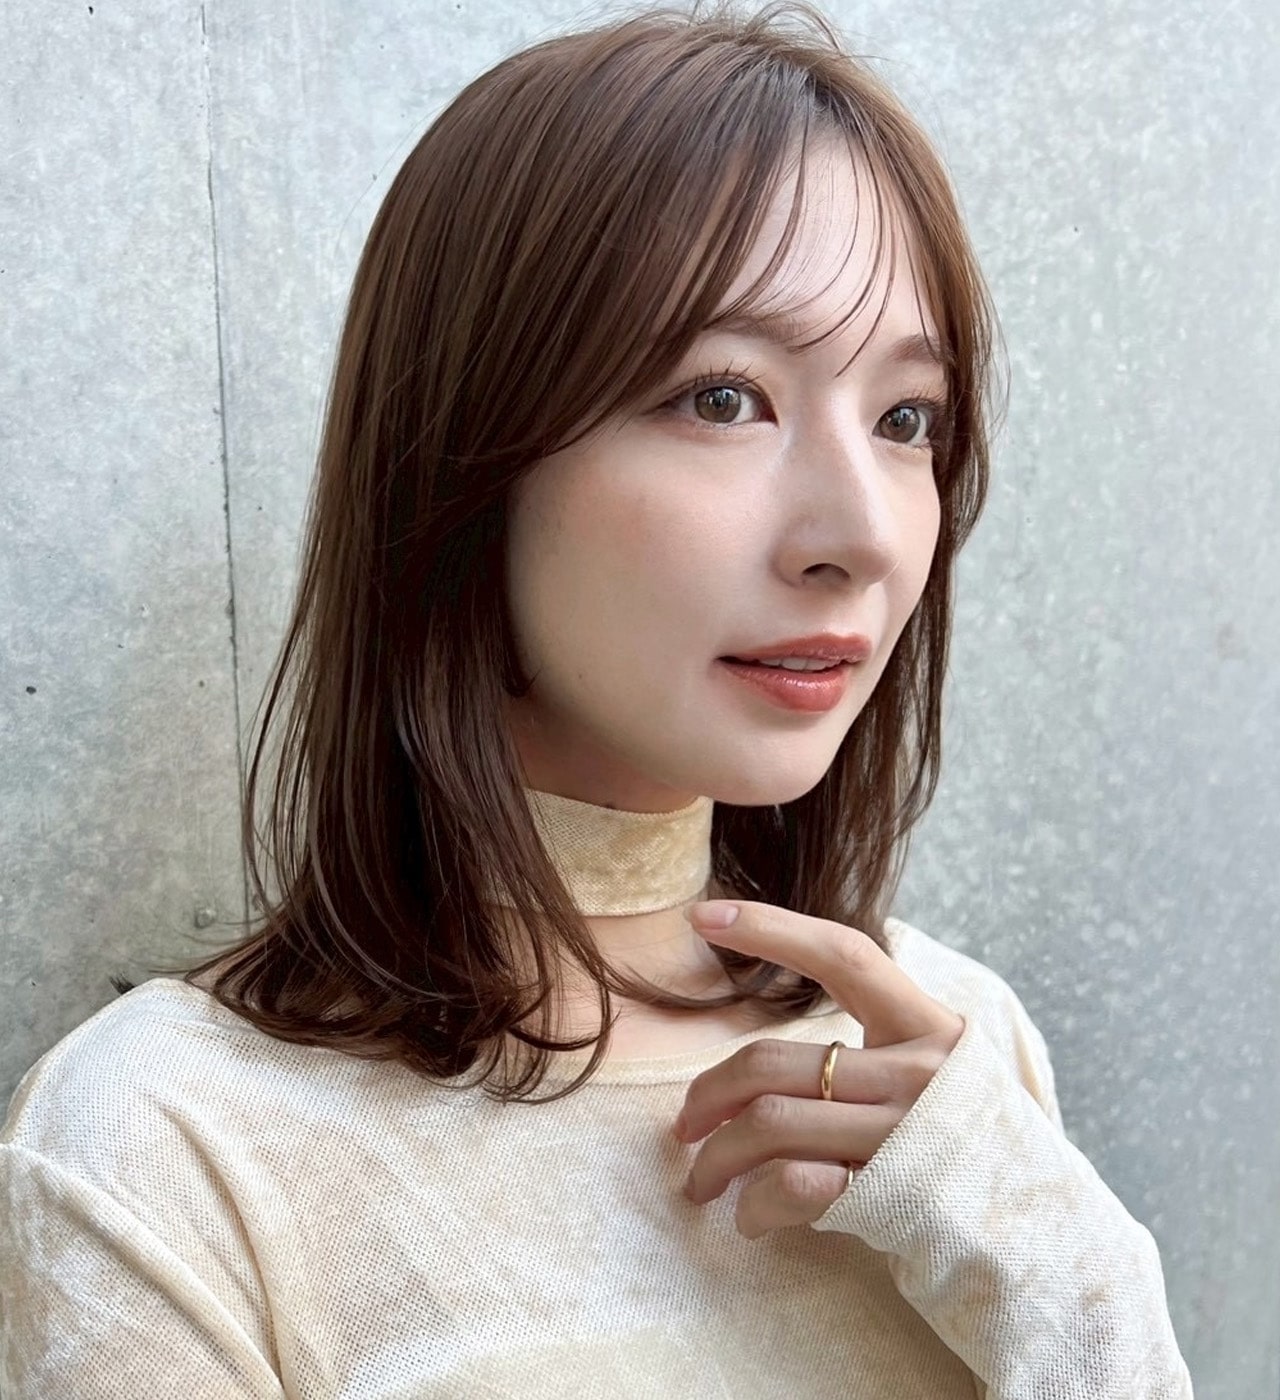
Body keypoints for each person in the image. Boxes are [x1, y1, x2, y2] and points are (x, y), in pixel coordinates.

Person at [0, 3, 1193, 1395]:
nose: (862, 535)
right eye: (723, 398)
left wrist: (1074, 1277)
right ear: (468, 457)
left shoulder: (946, 1052)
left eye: (905, 418)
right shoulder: (166, 1148)